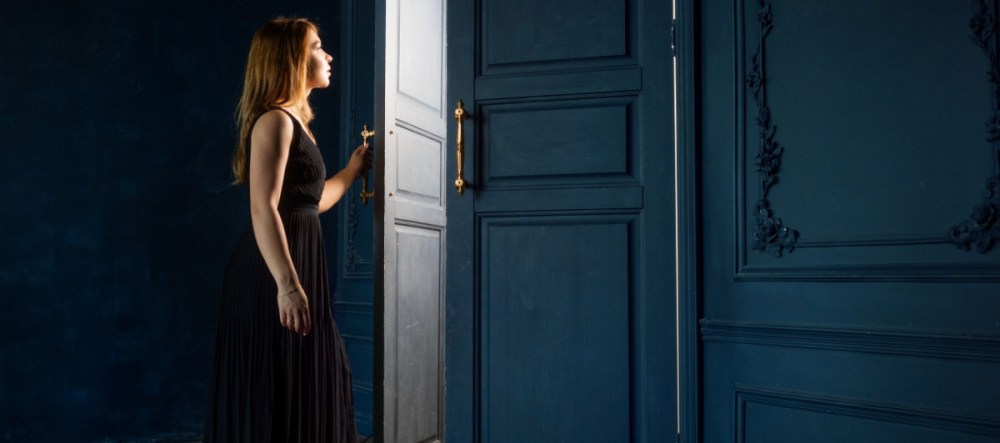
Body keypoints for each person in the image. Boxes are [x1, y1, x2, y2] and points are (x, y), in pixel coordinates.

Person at [204, 17, 366, 443]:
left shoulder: (298, 124)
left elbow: (312, 202)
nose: (328, 55)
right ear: (291, 59)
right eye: (317, 46)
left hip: (293, 266)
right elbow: (263, 206)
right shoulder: (274, 121)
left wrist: (353, 170)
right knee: (276, 384)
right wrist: (288, 285)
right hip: (271, 274)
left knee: (308, 376)